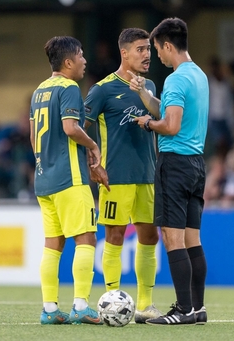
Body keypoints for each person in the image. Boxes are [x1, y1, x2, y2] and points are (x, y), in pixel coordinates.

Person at [131, 18, 209, 325]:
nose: (156, 56)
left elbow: (171, 125)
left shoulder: (176, 79)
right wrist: (144, 95)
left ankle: (183, 310)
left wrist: (148, 124)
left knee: (172, 238)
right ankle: (197, 308)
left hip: (175, 164)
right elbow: (172, 111)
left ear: (167, 45)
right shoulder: (199, 75)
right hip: (196, 164)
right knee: (192, 240)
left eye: (156, 49)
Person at [83, 28, 162, 323]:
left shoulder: (149, 86)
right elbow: (80, 128)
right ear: (124, 53)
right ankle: (111, 301)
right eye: (141, 49)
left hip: (148, 174)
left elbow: (161, 117)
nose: (147, 55)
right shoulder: (102, 89)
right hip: (115, 177)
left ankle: (145, 305)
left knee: (150, 236)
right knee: (115, 236)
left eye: (148, 49)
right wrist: (92, 163)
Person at [31, 36, 108, 325]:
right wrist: (93, 146)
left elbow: (33, 138)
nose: (85, 61)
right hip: (69, 178)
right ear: (68, 62)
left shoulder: (39, 91)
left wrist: (46, 162)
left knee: (53, 243)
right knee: (86, 237)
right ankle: (80, 306)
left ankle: (50, 309)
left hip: (44, 179)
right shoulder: (69, 88)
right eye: (81, 55)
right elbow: (70, 127)